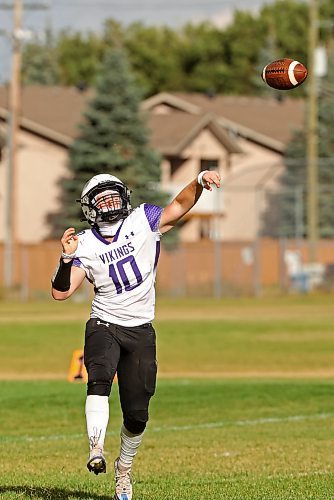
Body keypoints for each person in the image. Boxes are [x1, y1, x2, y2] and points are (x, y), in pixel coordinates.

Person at [51, 170, 221, 500]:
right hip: (104, 323)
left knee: (138, 413)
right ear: (90, 208)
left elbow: (181, 204)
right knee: (98, 378)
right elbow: (61, 292)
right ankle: (95, 448)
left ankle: (124, 470)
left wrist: (199, 180)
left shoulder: (143, 219)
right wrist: (66, 258)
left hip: (141, 329)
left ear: (124, 197)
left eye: (113, 194)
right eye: (102, 198)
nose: (110, 201)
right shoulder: (84, 243)